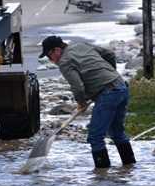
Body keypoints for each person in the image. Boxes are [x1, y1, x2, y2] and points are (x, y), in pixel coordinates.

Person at [39, 36, 136, 168]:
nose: (51, 60)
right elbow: (109, 54)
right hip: (121, 87)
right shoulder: (81, 45)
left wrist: (81, 103)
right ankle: (129, 168)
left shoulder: (64, 62)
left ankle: (102, 176)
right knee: (117, 133)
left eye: (50, 56)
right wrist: (111, 73)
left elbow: (77, 86)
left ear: (57, 50)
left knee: (95, 137)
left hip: (108, 94)